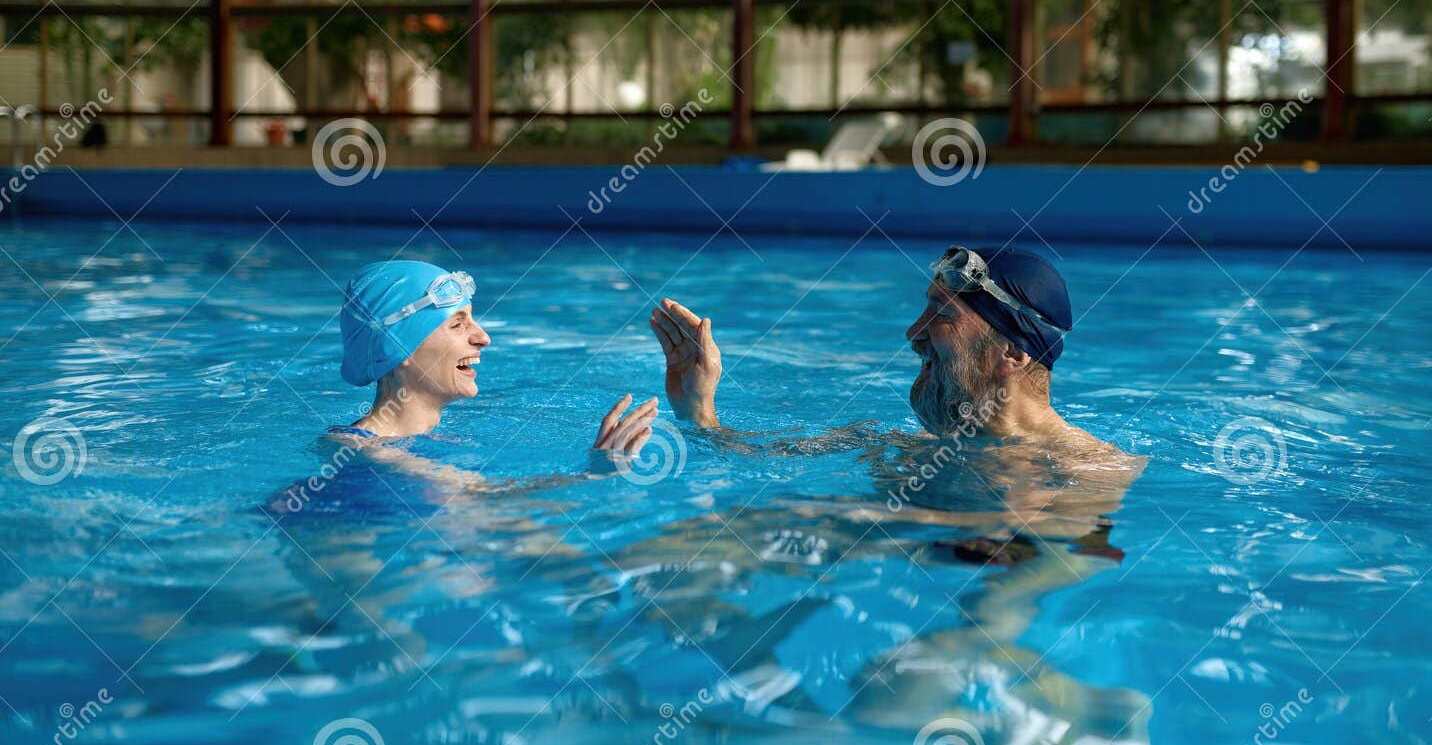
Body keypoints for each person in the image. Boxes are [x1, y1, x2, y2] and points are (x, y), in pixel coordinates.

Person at [650, 245, 1143, 551]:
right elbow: (747, 460)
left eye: (941, 315)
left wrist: (875, 521)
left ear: (1012, 353)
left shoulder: (1091, 471)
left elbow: (1054, 567)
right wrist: (698, 409)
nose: (913, 334)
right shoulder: (901, 449)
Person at [337, 260, 657, 462]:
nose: (483, 337)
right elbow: (486, 506)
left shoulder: (429, 441)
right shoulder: (365, 454)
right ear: (397, 347)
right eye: (457, 324)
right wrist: (598, 469)